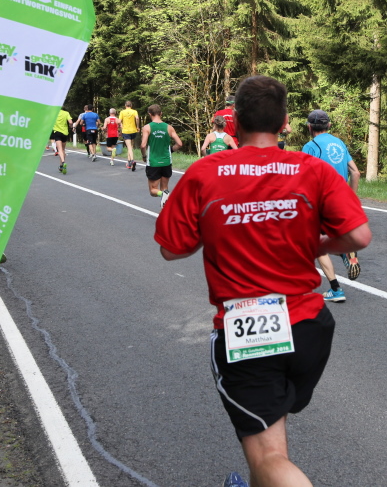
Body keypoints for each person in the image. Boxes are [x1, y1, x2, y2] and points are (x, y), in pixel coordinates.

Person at [155, 76, 372, 487]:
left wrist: (220, 227)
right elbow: (359, 236)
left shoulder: (203, 173)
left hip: (248, 328)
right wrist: (315, 244)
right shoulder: (312, 169)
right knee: (270, 437)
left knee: (269, 454)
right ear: (285, 123)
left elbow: (171, 249)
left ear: (234, 123)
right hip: (309, 327)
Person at [302, 110, 362, 302]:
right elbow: (356, 173)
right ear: (328, 125)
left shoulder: (310, 146)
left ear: (309, 127)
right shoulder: (340, 143)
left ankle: (336, 289)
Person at [140, 104, 182, 208]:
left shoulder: (147, 127)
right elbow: (179, 144)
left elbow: (143, 145)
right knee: (165, 189)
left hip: (153, 162)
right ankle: (165, 210)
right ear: (161, 113)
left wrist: (144, 156)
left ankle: (163, 195)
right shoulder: (169, 127)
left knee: (153, 190)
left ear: (150, 114)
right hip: (166, 162)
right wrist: (171, 150)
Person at [119, 101, 141, 170]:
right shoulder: (134, 111)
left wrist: (121, 126)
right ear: (131, 105)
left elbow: (119, 121)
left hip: (126, 131)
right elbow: (137, 118)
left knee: (129, 147)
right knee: (130, 146)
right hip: (133, 130)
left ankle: (132, 160)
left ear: (125, 105)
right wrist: (137, 126)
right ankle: (129, 163)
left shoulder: (122, 112)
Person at [52, 107, 73, 174]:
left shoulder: (54, 113)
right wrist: (71, 126)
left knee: (60, 149)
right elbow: (70, 122)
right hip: (65, 133)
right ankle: (61, 166)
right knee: (63, 149)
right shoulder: (66, 113)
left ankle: (63, 162)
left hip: (57, 132)